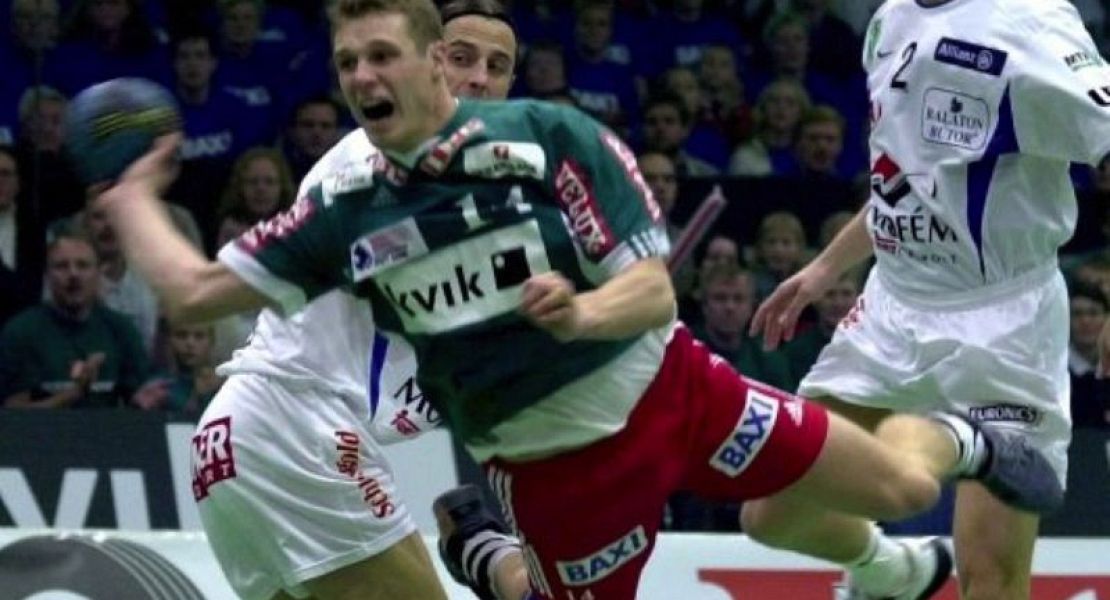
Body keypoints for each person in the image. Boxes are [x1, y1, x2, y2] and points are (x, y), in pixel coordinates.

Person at [99, 2, 1063, 600]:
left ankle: (969, 442)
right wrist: (129, 194)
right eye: (350, 64)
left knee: (899, 489)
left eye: (384, 55)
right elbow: (191, 291)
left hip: (680, 396)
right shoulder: (350, 202)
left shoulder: (550, 138)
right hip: (556, 473)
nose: (364, 78)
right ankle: (488, 556)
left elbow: (650, 292)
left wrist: (580, 313)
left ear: (433, 63)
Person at [156, 2, 524, 599]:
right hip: (299, 430)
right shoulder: (380, 160)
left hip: (238, 442)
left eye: (497, 66)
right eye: (462, 58)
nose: (479, 78)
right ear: (429, 61)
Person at [749, 1, 1110, 598]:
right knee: (772, 513)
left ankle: (966, 444)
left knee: (991, 578)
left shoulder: (1031, 25)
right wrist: (827, 265)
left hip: (1005, 325)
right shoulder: (889, 20)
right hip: (891, 310)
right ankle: (896, 570)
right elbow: (908, 177)